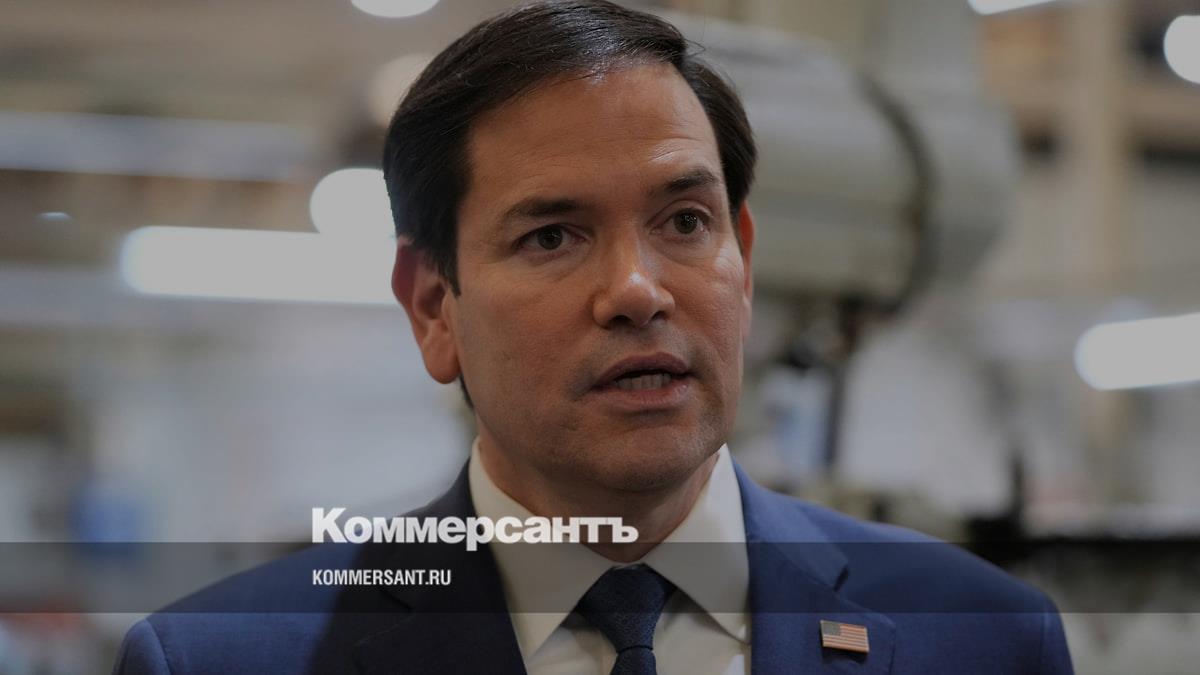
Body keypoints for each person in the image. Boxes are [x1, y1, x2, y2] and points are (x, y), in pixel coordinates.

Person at [112, 1, 1073, 673]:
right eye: (552, 236)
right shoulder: (222, 658)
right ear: (434, 306)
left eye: (685, 222)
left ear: (742, 260)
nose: (637, 291)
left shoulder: (984, 638)